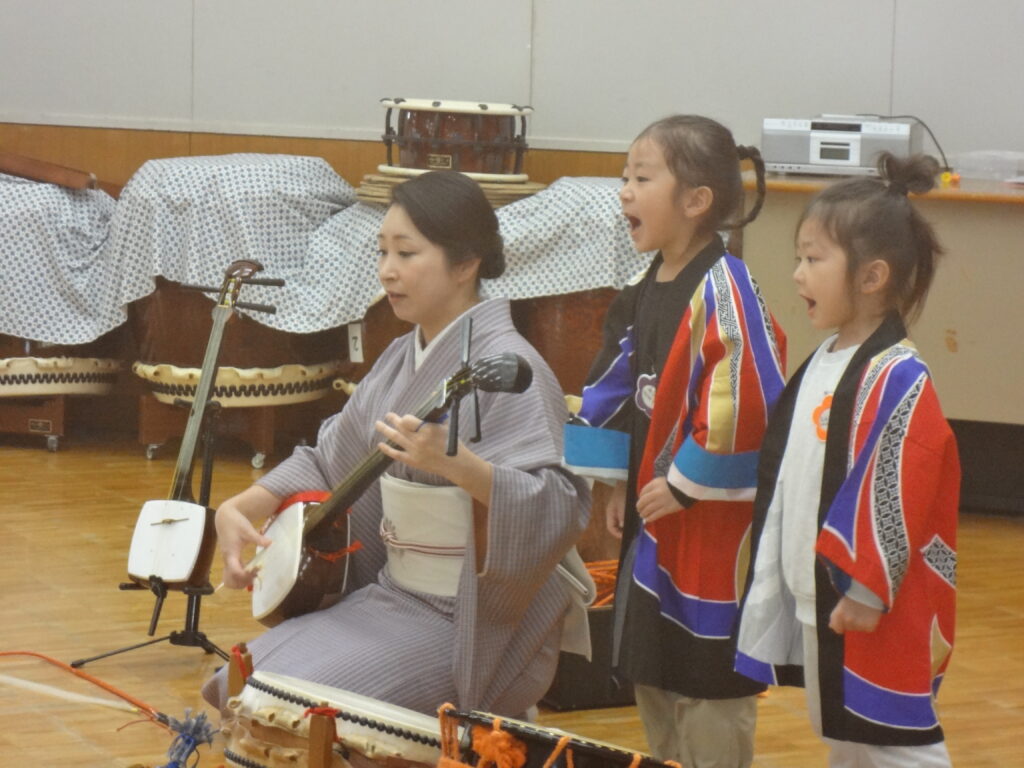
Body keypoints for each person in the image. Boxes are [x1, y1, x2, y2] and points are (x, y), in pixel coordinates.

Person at [203, 170, 590, 718]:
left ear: (466, 263)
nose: (387, 270)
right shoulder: (397, 358)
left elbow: (558, 507)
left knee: (283, 703)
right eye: (382, 251)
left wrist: (461, 468)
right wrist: (243, 506)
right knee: (237, 683)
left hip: (467, 622)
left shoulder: (515, 370)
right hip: (392, 596)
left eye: (406, 253)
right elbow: (332, 461)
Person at [562, 115, 787, 768]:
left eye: (641, 178)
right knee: (653, 667)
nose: (624, 191)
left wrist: (686, 482)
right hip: (655, 514)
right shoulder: (642, 290)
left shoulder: (728, 290)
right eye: (624, 177)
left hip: (711, 521)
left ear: (695, 200)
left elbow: (747, 398)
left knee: (707, 678)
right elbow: (612, 383)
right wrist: (614, 479)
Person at [734, 153, 959, 767]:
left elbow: (902, 480)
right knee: (844, 732)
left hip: (874, 600)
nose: (798, 274)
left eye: (813, 259)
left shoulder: (899, 375)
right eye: (799, 258)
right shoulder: (826, 360)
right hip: (823, 593)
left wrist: (866, 587)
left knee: (895, 737)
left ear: (871, 276)